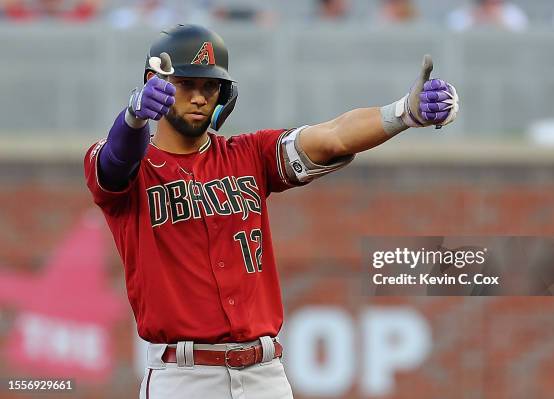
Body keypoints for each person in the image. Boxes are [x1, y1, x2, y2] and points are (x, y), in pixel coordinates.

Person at [83, 24, 459, 399]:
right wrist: (133, 116)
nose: (199, 97)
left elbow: (333, 136)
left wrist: (403, 113)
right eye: (186, 83)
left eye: (209, 86)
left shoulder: (248, 154)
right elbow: (116, 161)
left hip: (265, 375)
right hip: (184, 377)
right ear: (156, 81)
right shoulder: (133, 168)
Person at [447, 0, 528, 32]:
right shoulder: (464, 13)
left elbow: (523, 33)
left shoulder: (513, 13)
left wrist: (499, 21)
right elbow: (451, 31)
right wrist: (474, 20)